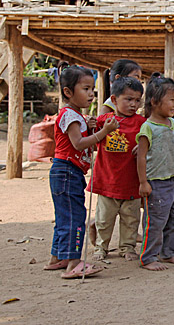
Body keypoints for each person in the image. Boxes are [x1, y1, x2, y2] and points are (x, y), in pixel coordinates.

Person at [44, 65, 118, 279]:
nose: (91, 94)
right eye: (85, 89)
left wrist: (92, 128)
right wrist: (103, 132)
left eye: (92, 89)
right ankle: (74, 263)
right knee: (75, 217)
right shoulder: (71, 116)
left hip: (64, 172)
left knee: (64, 216)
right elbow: (78, 144)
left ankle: (58, 257)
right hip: (67, 171)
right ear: (68, 92)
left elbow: (83, 142)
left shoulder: (74, 116)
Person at [87, 77, 146, 262]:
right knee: (104, 220)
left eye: (137, 100)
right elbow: (89, 136)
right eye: (128, 99)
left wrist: (145, 147)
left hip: (132, 183)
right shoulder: (104, 120)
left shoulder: (142, 123)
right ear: (114, 100)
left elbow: (152, 141)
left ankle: (127, 247)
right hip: (107, 182)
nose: (133, 104)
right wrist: (90, 125)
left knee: (131, 219)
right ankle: (101, 247)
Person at [136, 76, 174, 271]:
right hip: (157, 182)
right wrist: (143, 183)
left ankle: (168, 252)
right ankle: (148, 257)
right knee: (156, 222)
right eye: (172, 99)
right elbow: (141, 157)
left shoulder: (173, 124)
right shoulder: (148, 128)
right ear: (154, 102)